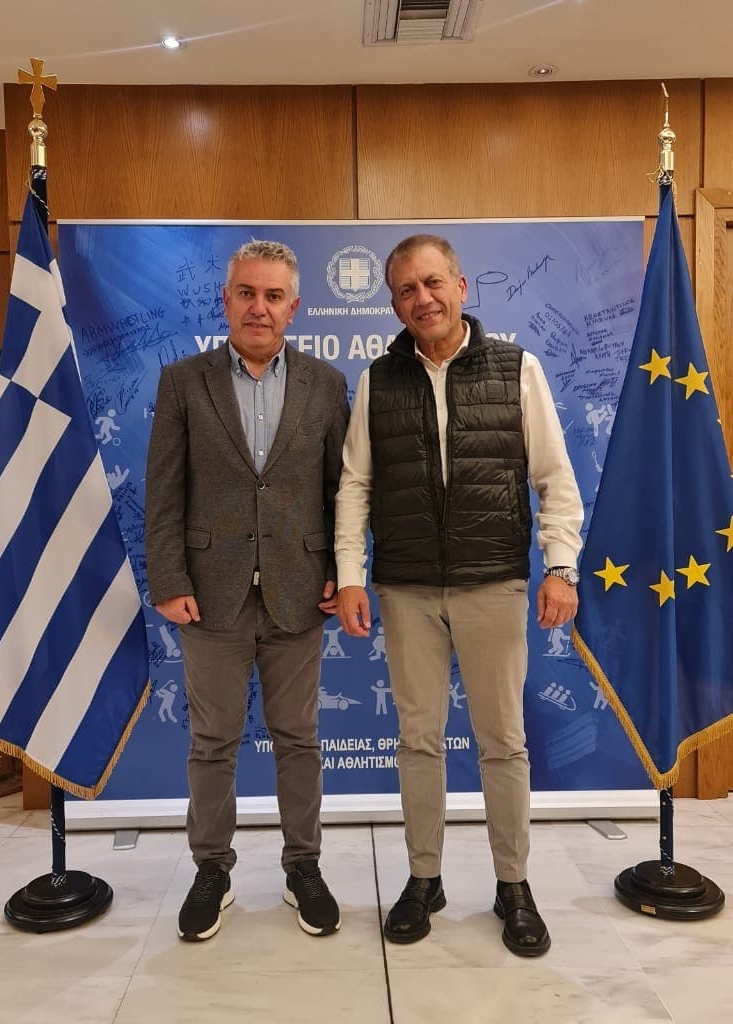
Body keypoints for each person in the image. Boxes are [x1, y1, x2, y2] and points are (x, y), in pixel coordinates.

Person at [335, 234, 583, 957]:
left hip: (492, 582)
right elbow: (355, 485)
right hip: (406, 587)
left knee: (503, 742)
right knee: (418, 740)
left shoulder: (517, 369)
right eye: (407, 290)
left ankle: (514, 886)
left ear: (461, 286)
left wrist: (561, 567)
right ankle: (424, 878)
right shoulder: (378, 381)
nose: (424, 299)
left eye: (433, 282)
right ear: (394, 304)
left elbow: (554, 477)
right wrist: (350, 575)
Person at [146, 240, 349, 942]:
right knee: (212, 742)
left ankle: (303, 867)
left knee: (299, 738)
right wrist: (169, 580)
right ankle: (212, 870)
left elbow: (342, 491)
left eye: (273, 296)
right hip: (209, 596)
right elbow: (163, 491)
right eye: (246, 293)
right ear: (226, 299)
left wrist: (342, 570)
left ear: (294, 307)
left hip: (301, 592)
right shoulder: (183, 381)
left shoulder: (326, 384)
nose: (258, 308)